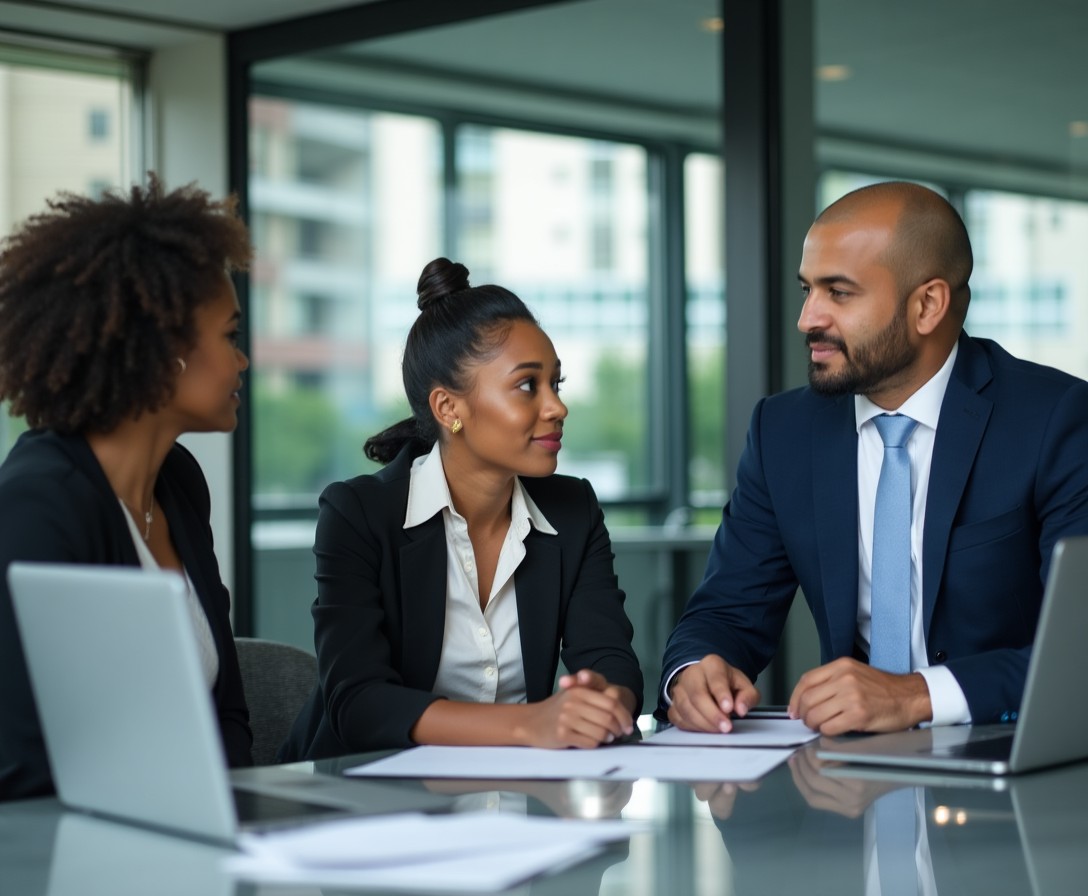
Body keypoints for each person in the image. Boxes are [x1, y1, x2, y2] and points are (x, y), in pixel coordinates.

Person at [660, 181, 1088, 736]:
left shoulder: (1055, 419)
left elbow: (1077, 652)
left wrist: (917, 696)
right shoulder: (783, 430)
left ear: (927, 304)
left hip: (1014, 764)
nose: (807, 318)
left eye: (838, 293)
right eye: (807, 289)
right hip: (849, 782)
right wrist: (696, 672)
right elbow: (725, 613)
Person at [280, 258, 642, 761]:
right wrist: (528, 724)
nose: (556, 407)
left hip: (516, 800)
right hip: (367, 801)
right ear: (449, 409)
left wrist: (603, 704)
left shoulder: (573, 509)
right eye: (526, 386)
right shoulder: (359, 514)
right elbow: (359, 703)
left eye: (555, 385)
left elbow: (610, 658)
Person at [0, 175, 254, 801]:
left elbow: (227, 714)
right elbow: (21, 766)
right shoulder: (37, 507)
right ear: (163, 349)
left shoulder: (180, 483)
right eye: (229, 336)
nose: (242, 361)